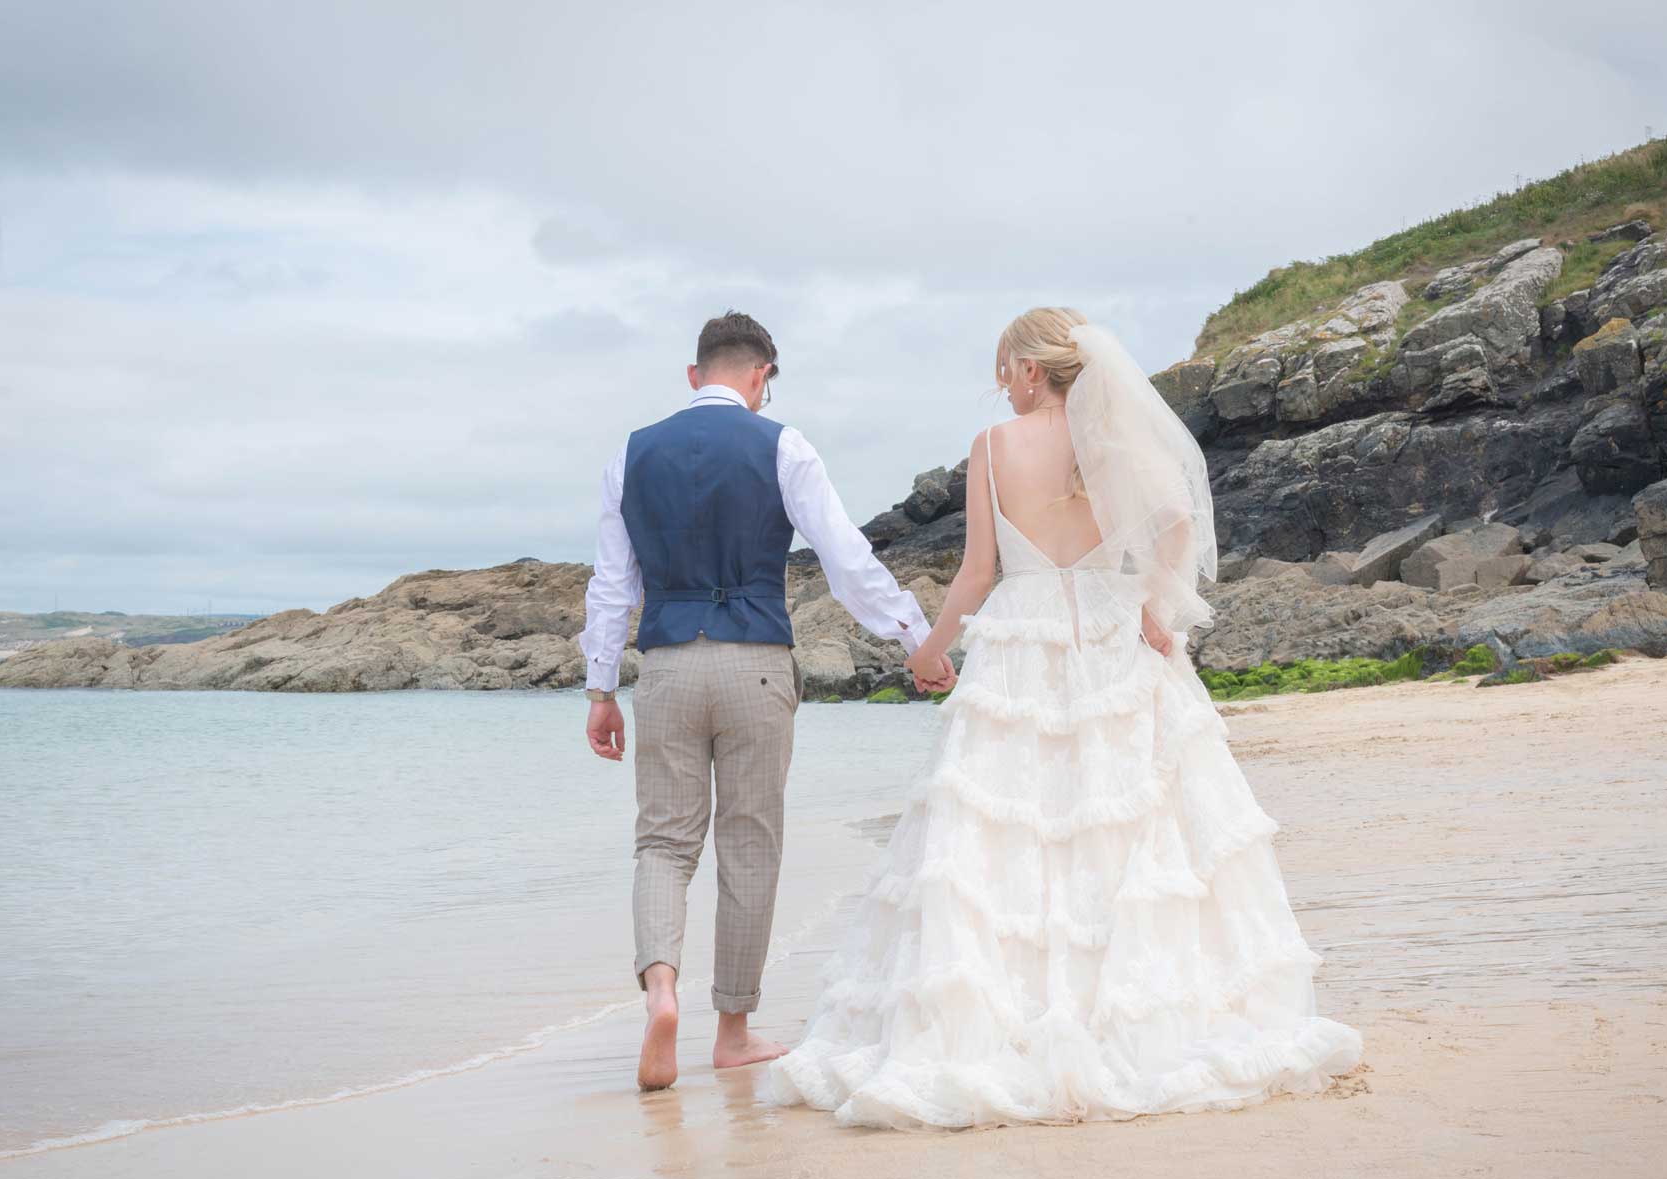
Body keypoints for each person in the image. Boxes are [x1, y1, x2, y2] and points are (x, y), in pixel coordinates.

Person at [764, 308, 1362, 1128]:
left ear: (1033, 370)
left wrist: (930, 650)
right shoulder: (1111, 437)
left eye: (1004, 367)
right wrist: (1163, 607)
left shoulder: (992, 448)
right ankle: (1143, 1015)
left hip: (1023, 639)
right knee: (1132, 820)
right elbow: (1179, 519)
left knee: (1014, 830)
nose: (999, 383)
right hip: (1117, 631)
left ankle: (1019, 1016)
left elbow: (978, 571)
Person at [579, 311, 953, 1091]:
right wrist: (914, 637)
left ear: (694, 375)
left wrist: (600, 688)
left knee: (662, 843)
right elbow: (845, 557)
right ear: (760, 378)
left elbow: (613, 586)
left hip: (670, 666)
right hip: (756, 663)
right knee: (749, 844)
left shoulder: (631, 453)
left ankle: (660, 992)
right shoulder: (782, 443)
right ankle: (733, 1032)